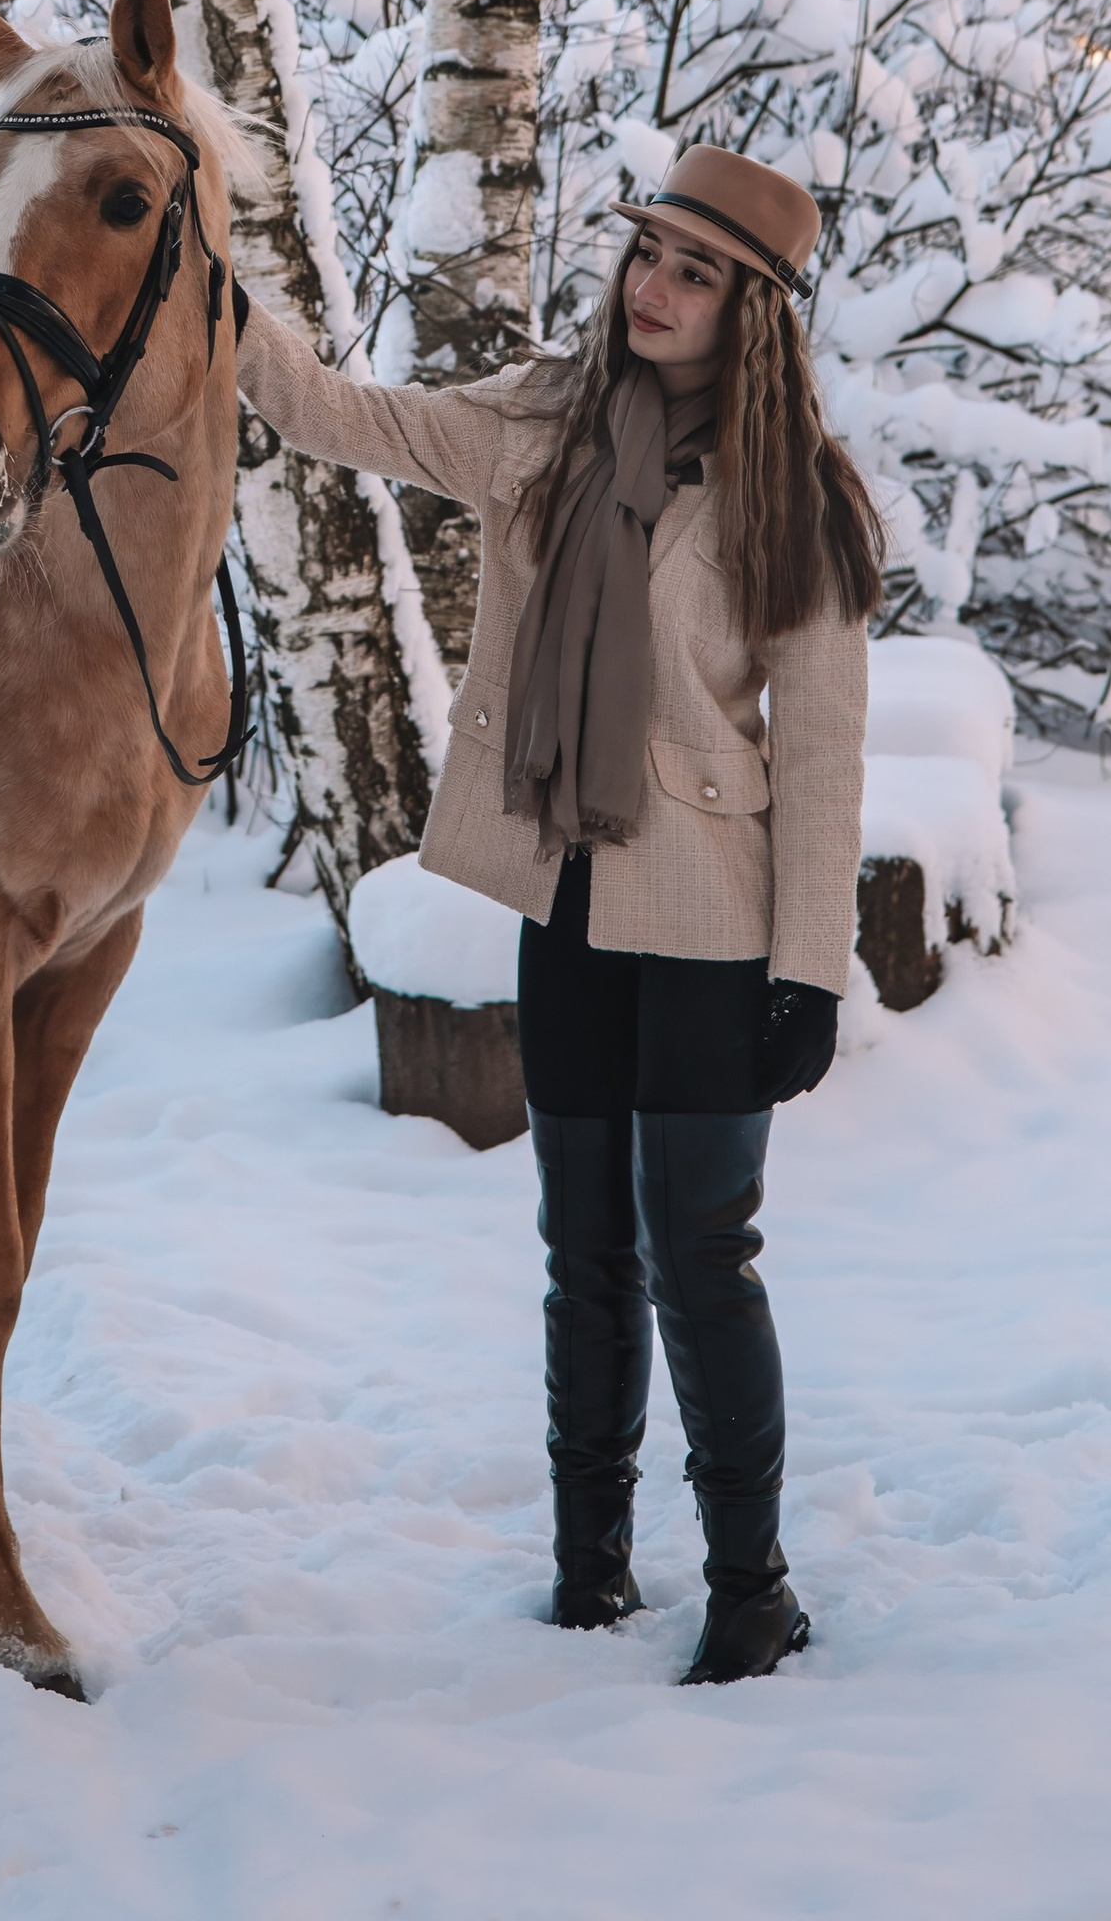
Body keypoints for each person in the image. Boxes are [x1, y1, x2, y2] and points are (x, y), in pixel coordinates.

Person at [239, 147, 879, 1684]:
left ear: (757, 314)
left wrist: (813, 973)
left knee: (698, 1253)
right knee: (582, 1248)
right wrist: (220, 293)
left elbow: (826, 750)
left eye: (694, 272)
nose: (652, 289)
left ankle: (748, 1589)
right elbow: (348, 417)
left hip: (717, 920)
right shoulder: (545, 426)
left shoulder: (800, 495)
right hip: (571, 902)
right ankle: (589, 1572)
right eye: (649, 256)